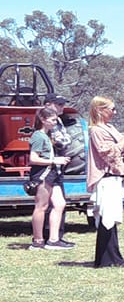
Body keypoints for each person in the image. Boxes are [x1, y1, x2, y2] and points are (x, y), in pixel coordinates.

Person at [86, 96, 124, 268]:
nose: (115, 112)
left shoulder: (109, 128)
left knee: (111, 219)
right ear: (100, 110)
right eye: (112, 109)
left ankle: (113, 257)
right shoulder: (96, 130)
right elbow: (110, 152)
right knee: (107, 219)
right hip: (106, 177)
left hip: (115, 177)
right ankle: (105, 259)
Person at [28, 107, 74, 250]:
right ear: (43, 119)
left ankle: (54, 240)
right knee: (41, 206)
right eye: (53, 119)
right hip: (42, 174)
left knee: (59, 204)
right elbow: (33, 158)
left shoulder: (47, 136)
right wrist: (54, 161)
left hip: (53, 174)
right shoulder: (38, 136)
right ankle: (38, 241)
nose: (55, 122)